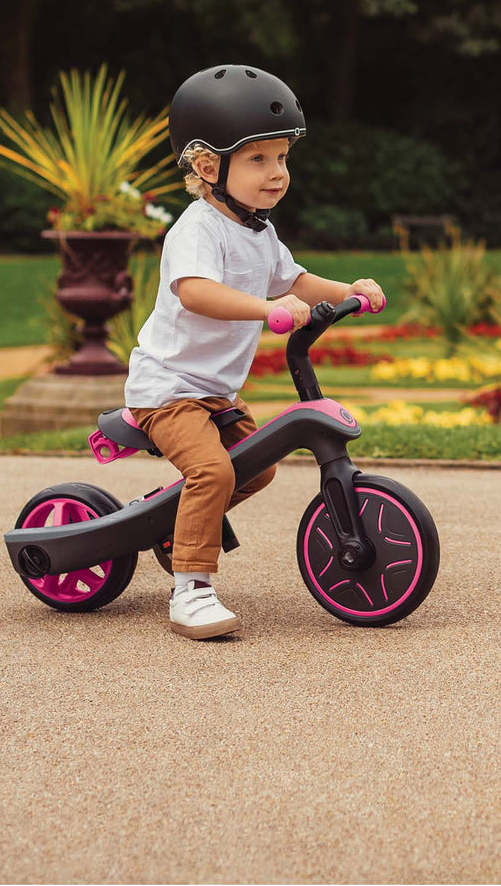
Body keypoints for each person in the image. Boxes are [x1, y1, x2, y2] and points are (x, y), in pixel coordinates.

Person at [125, 64, 386, 640]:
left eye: (282, 158)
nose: (277, 173)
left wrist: (349, 292)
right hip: (168, 391)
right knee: (214, 469)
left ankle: (174, 525)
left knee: (256, 468)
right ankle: (190, 590)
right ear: (207, 166)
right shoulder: (198, 229)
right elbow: (194, 291)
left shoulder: (259, 231)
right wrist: (261, 310)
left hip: (213, 394)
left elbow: (294, 280)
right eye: (258, 159)